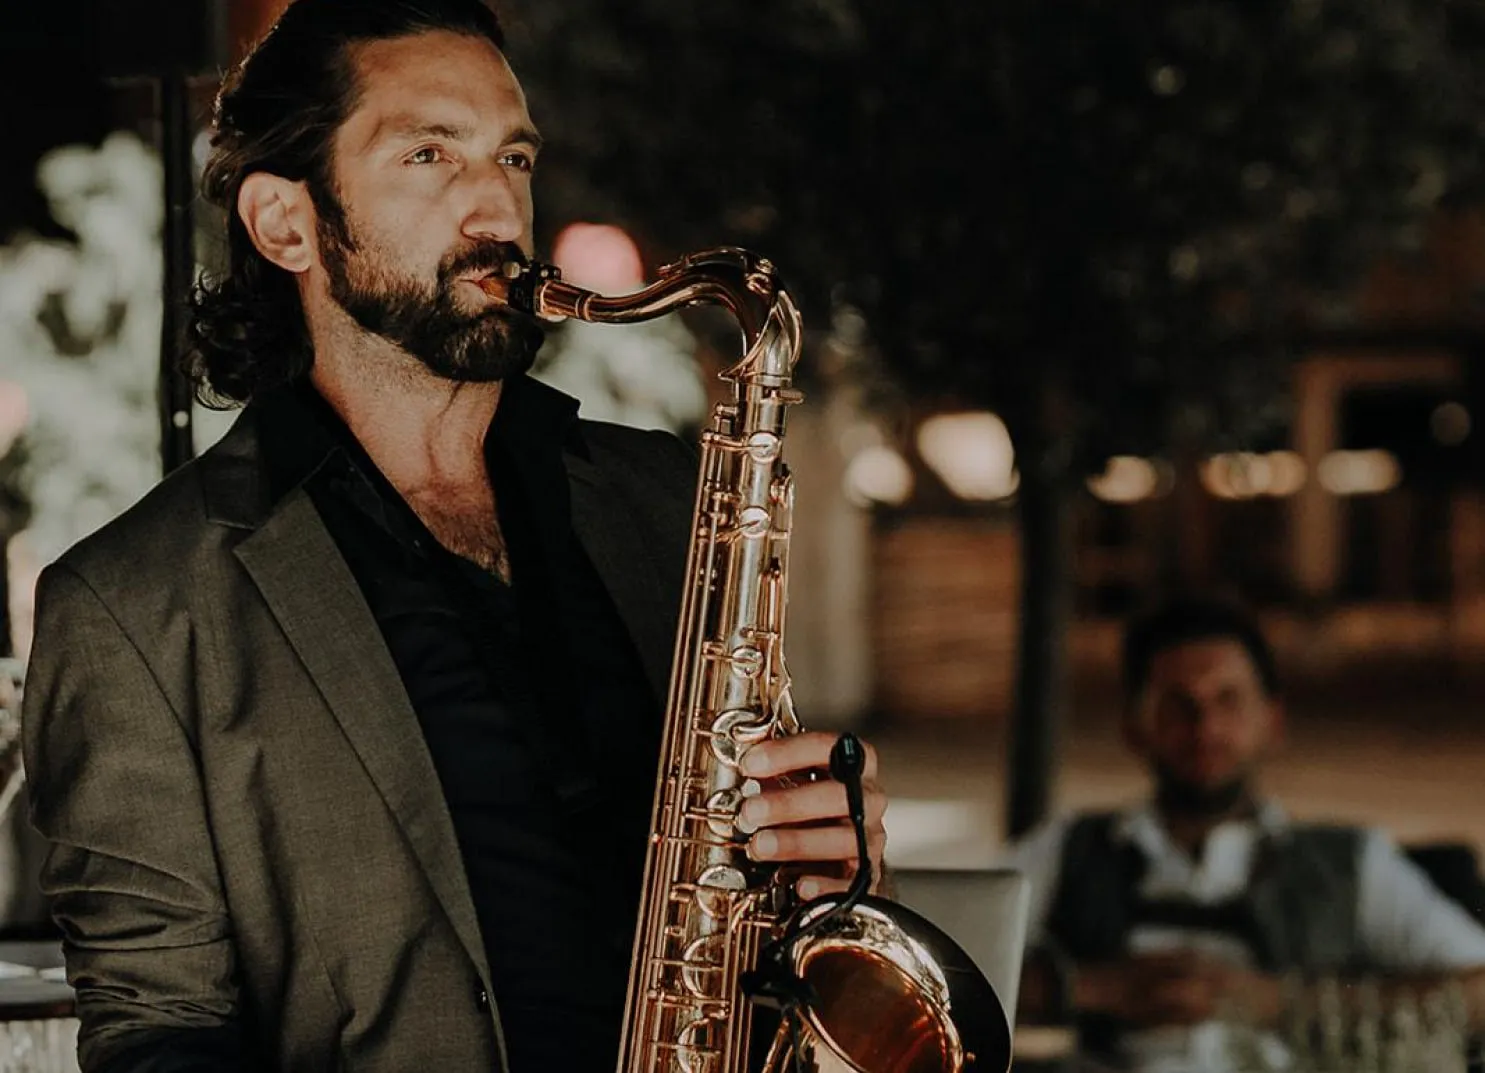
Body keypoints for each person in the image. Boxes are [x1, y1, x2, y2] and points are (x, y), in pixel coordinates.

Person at [18, 3, 889, 1071]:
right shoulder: (132, 606)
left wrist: (828, 869)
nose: (494, 203)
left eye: (512, 156)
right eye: (429, 152)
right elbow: (158, 1033)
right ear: (286, 223)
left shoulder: (670, 497)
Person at [1006, 595, 1485, 1072]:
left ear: (1271, 722)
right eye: (1178, 705)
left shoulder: (1351, 864)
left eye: (1228, 700)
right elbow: (938, 958)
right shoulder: (1070, 848)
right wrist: (1093, 988)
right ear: (1135, 727)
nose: (1205, 728)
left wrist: (1278, 1003)